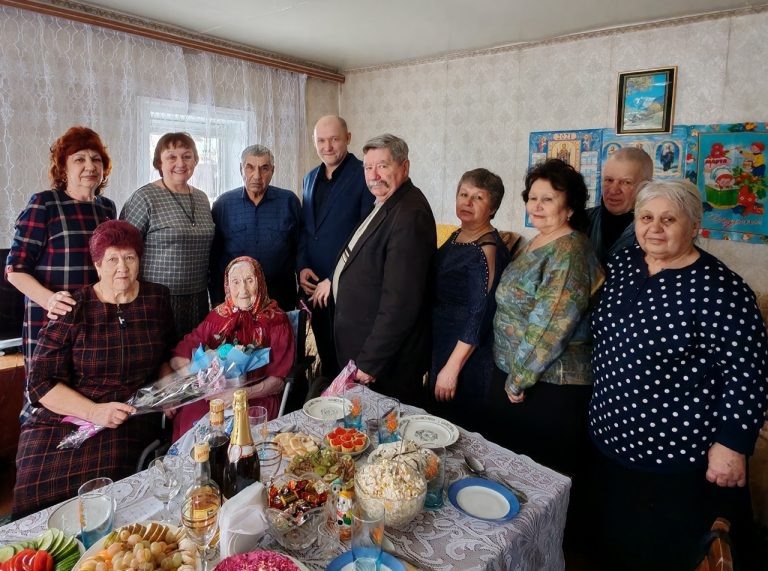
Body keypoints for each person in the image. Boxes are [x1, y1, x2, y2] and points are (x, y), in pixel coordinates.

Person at [589, 180, 768, 570]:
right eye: (646, 217)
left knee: (663, 552)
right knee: (615, 542)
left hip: (674, 453)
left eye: (668, 219)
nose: (654, 228)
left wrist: (732, 445)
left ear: (694, 226)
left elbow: (747, 373)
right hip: (610, 437)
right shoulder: (625, 264)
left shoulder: (722, 290)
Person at [12, 221, 175, 517]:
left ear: (140, 261)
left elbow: (165, 352)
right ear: (98, 265)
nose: (122, 268)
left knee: (100, 498)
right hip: (62, 416)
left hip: (124, 414)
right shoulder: (72, 307)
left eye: (130, 258)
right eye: (112, 259)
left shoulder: (157, 299)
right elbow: (40, 384)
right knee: (35, 499)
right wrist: (92, 412)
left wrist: (167, 389)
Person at [489, 158, 603, 473]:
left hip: (547, 386)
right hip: (518, 378)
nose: (536, 206)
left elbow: (551, 325)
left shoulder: (570, 251)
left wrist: (518, 380)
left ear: (570, 207)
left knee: (537, 479)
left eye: (548, 199)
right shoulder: (538, 240)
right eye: (533, 198)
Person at [311, 134, 436, 406]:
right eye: (368, 168)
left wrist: (369, 362)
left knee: (384, 439)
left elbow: (400, 302)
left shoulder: (409, 213)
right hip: (362, 349)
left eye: (383, 166)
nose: (374, 175)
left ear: (404, 167)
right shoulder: (385, 202)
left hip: (384, 364)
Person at [5, 126, 116, 421]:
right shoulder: (45, 203)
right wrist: (49, 299)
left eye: (96, 159)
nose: (90, 166)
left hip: (94, 320)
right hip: (50, 320)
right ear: (64, 167)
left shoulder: (107, 208)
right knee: (48, 402)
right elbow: (15, 269)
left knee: (88, 403)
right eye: (79, 159)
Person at [170, 256, 294, 441]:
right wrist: (197, 377)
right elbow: (183, 351)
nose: (242, 290)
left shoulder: (276, 321)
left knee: (237, 437)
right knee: (190, 420)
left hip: (256, 396)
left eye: (249, 281)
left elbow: (278, 382)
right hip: (214, 396)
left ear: (259, 282)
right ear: (227, 285)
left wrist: (240, 394)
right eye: (235, 282)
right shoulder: (217, 317)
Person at [429, 168, 512, 432]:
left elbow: (479, 313)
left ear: (493, 207)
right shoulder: (458, 235)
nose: (467, 202)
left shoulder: (484, 249)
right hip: (444, 340)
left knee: (457, 430)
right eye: (463, 194)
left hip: (467, 355)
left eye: (478, 197)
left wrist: (452, 368)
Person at [298, 116, 374, 378]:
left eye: (334, 139)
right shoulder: (309, 178)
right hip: (314, 288)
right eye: (321, 140)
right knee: (328, 360)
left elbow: (366, 235)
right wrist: (302, 265)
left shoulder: (365, 175)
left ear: (348, 138)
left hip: (347, 287)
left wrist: (335, 276)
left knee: (349, 365)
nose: (327, 146)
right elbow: (307, 231)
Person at [120, 132, 215, 340]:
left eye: (187, 156)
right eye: (172, 157)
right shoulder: (144, 197)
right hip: (157, 299)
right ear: (159, 162)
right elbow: (123, 250)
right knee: (160, 364)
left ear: (195, 161)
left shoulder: (201, 198)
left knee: (191, 364)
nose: (180, 163)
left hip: (197, 298)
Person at [210, 145, 301, 311]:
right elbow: (214, 258)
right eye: (250, 167)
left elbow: (301, 249)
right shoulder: (223, 204)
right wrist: (217, 300)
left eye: (264, 168)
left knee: (281, 337)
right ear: (241, 169)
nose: (257, 176)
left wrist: (301, 295)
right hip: (237, 299)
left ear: (272, 171)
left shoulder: (289, 201)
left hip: (281, 298)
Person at [587, 146, 653, 263]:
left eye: (626, 182)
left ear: (646, 186)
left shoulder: (654, 231)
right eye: (609, 180)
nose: (613, 190)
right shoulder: (581, 221)